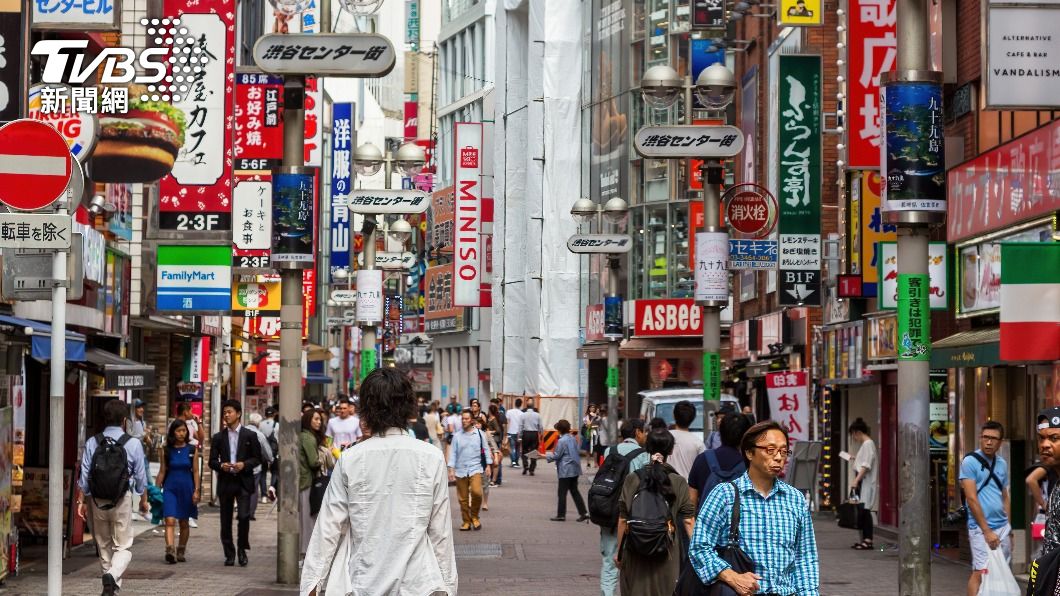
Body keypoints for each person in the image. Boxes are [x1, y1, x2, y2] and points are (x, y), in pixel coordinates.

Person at [301, 368, 457, 596]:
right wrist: (448, 586)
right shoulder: (431, 457)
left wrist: (311, 586)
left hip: (363, 581)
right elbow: (440, 532)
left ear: (367, 408)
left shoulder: (351, 459)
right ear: (407, 406)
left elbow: (328, 527)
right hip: (418, 584)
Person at [690, 421, 819, 596]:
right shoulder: (724, 495)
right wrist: (732, 577)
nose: (779, 457)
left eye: (783, 451)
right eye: (770, 450)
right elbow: (699, 547)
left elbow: (805, 558)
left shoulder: (795, 498)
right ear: (750, 453)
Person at [77, 399, 148, 596]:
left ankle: (110, 589)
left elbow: (84, 475)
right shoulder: (132, 443)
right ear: (124, 420)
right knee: (123, 546)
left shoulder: (93, 442)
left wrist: (81, 500)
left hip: (97, 501)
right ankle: (112, 576)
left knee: (103, 544)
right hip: (121, 499)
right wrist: (143, 498)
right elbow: (141, 477)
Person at [614, 429, 695, 596]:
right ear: (671, 450)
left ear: (647, 448)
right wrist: (697, 553)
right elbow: (688, 521)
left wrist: (620, 554)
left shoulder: (633, 478)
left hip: (634, 550)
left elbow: (623, 519)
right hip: (666, 553)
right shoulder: (678, 481)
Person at [208, 400, 262, 567]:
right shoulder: (218, 437)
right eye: (224, 412)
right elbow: (211, 461)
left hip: (243, 479)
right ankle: (229, 553)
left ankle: (241, 548)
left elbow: (257, 458)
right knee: (225, 519)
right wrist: (221, 465)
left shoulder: (250, 435)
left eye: (229, 412)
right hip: (226, 480)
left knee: (244, 516)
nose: (226, 415)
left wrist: (244, 465)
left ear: (238, 414)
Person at [959, 420, 1010, 596]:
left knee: (1000, 571)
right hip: (981, 528)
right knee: (981, 572)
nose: (989, 442)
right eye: (985, 437)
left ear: (1000, 442)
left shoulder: (1002, 464)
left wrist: (1010, 527)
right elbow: (971, 498)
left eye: (993, 439)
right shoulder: (970, 462)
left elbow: (1004, 496)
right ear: (980, 439)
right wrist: (986, 530)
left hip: (1003, 526)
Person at [599, 419, 649, 596]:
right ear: (637, 432)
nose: (645, 435)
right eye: (644, 431)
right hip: (634, 515)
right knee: (634, 561)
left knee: (609, 561)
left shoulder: (608, 451)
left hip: (608, 512)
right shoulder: (644, 455)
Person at [688, 412, 753, 511]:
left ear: (720, 432)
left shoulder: (702, 459)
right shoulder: (751, 464)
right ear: (746, 436)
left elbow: (691, 501)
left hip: (708, 524)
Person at [156, 419, 200, 564]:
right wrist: (156, 490)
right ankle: (170, 549)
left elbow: (195, 472)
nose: (182, 433)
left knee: (184, 522)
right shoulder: (166, 450)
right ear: (173, 433)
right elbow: (162, 471)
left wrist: (196, 491)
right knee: (169, 519)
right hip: (170, 488)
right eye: (178, 431)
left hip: (187, 488)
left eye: (184, 431)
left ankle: (181, 549)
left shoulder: (192, 450)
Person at [448, 410, 493, 531]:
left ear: (472, 420)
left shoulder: (479, 434)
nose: (464, 421)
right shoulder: (457, 436)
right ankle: (466, 521)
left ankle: (474, 516)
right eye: (463, 419)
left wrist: (488, 465)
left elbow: (486, 449)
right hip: (460, 470)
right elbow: (453, 453)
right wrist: (451, 470)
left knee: (477, 493)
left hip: (475, 468)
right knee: (462, 499)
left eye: (467, 419)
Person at [299, 408, 333, 556]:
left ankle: (306, 550)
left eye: (320, 419)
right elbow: (313, 462)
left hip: (305, 481)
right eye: (316, 419)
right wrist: (326, 454)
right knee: (308, 519)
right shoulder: (307, 438)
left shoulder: (307, 436)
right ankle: (306, 551)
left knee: (308, 517)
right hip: (306, 482)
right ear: (308, 420)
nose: (319, 422)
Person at [546, 419, 590, 522]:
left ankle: (561, 515)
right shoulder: (573, 438)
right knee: (574, 491)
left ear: (560, 430)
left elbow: (557, 455)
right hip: (575, 468)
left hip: (565, 470)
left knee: (562, 493)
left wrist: (544, 455)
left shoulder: (562, 441)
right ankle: (584, 513)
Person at [847, 418, 878, 551]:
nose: (854, 438)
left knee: (865, 511)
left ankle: (868, 540)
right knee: (863, 511)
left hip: (864, 482)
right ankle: (865, 540)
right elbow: (864, 462)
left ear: (857, 432)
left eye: (853, 435)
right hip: (863, 482)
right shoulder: (867, 444)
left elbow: (866, 465)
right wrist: (854, 458)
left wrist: (856, 480)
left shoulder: (867, 444)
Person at [244, 412, 274, 521]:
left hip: (240, 466)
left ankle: (242, 509)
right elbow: (267, 451)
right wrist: (271, 460)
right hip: (254, 468)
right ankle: (250, 513)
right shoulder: (259, 435)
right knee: (253, 490)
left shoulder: (241, 431)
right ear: (258, 423)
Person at [128, 399, 152, 521]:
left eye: (142, 407)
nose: (141, 410)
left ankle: (143, 508)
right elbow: (129, 436)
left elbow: (144, 439)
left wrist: (148, 439)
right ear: (133, 409)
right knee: (130, 483)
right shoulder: (128, 421)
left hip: (142, 455)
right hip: (131, 456)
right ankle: (130, 509)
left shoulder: (143, 422)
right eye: (139, 407)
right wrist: (143, 434)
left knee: (147, 482)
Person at [668, 400, 705, 479]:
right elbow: (702, 469)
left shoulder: (663, 437)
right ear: (693, 418)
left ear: (674, 416)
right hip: (688, 488)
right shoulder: (698, 443)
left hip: (665, 486)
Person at [474, 417, 502, 511]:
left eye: (478, 423)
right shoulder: (470, 435)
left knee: (485, 484)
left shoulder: (486, 434)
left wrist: (496, 458)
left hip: (484, 461)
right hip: (473, 462)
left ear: (482, 424)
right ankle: (471, 501)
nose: (477, 425)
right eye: (475, 424)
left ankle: (485, 502)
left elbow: (494, 447)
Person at [259, 406, 279, 502]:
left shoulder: (260, 425)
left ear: (265, 414)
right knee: (274, 472)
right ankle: (272, 489)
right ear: (274, 414)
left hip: (262, 452)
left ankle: (263, 496)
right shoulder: (277, 425)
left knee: (262, 473)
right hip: (274, 452)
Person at [521, 402, 543, 475]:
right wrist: (541, 434)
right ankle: (532, 469)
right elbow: (540, 426)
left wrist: (520, 435)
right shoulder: (537, 415)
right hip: (534, 434)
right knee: (534, 451)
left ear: (526, 407)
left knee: (524, 450)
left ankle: (525, 465)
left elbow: (520, 426)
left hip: (526, 433)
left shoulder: (523, 415)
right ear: (533, 407)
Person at [486, 404, 505, 488]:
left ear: (490, 411)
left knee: (496, 461)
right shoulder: (490, 418)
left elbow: (498, 430)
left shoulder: (493, 419)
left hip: (494, 441)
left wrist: (491, 432)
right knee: (492, 460)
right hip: (491, 441)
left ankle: (495, 479)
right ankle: (492, 479)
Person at [506, 398, 524, 467]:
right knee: (518, 448)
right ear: (521, 404)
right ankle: (516, 462)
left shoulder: (509, 412)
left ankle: (513, 462)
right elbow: (522, 425)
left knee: (512, 447)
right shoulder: (522, 414)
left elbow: (508, 422)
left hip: (511, 432)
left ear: (515, 403)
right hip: (518, 433)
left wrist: (506, 433)